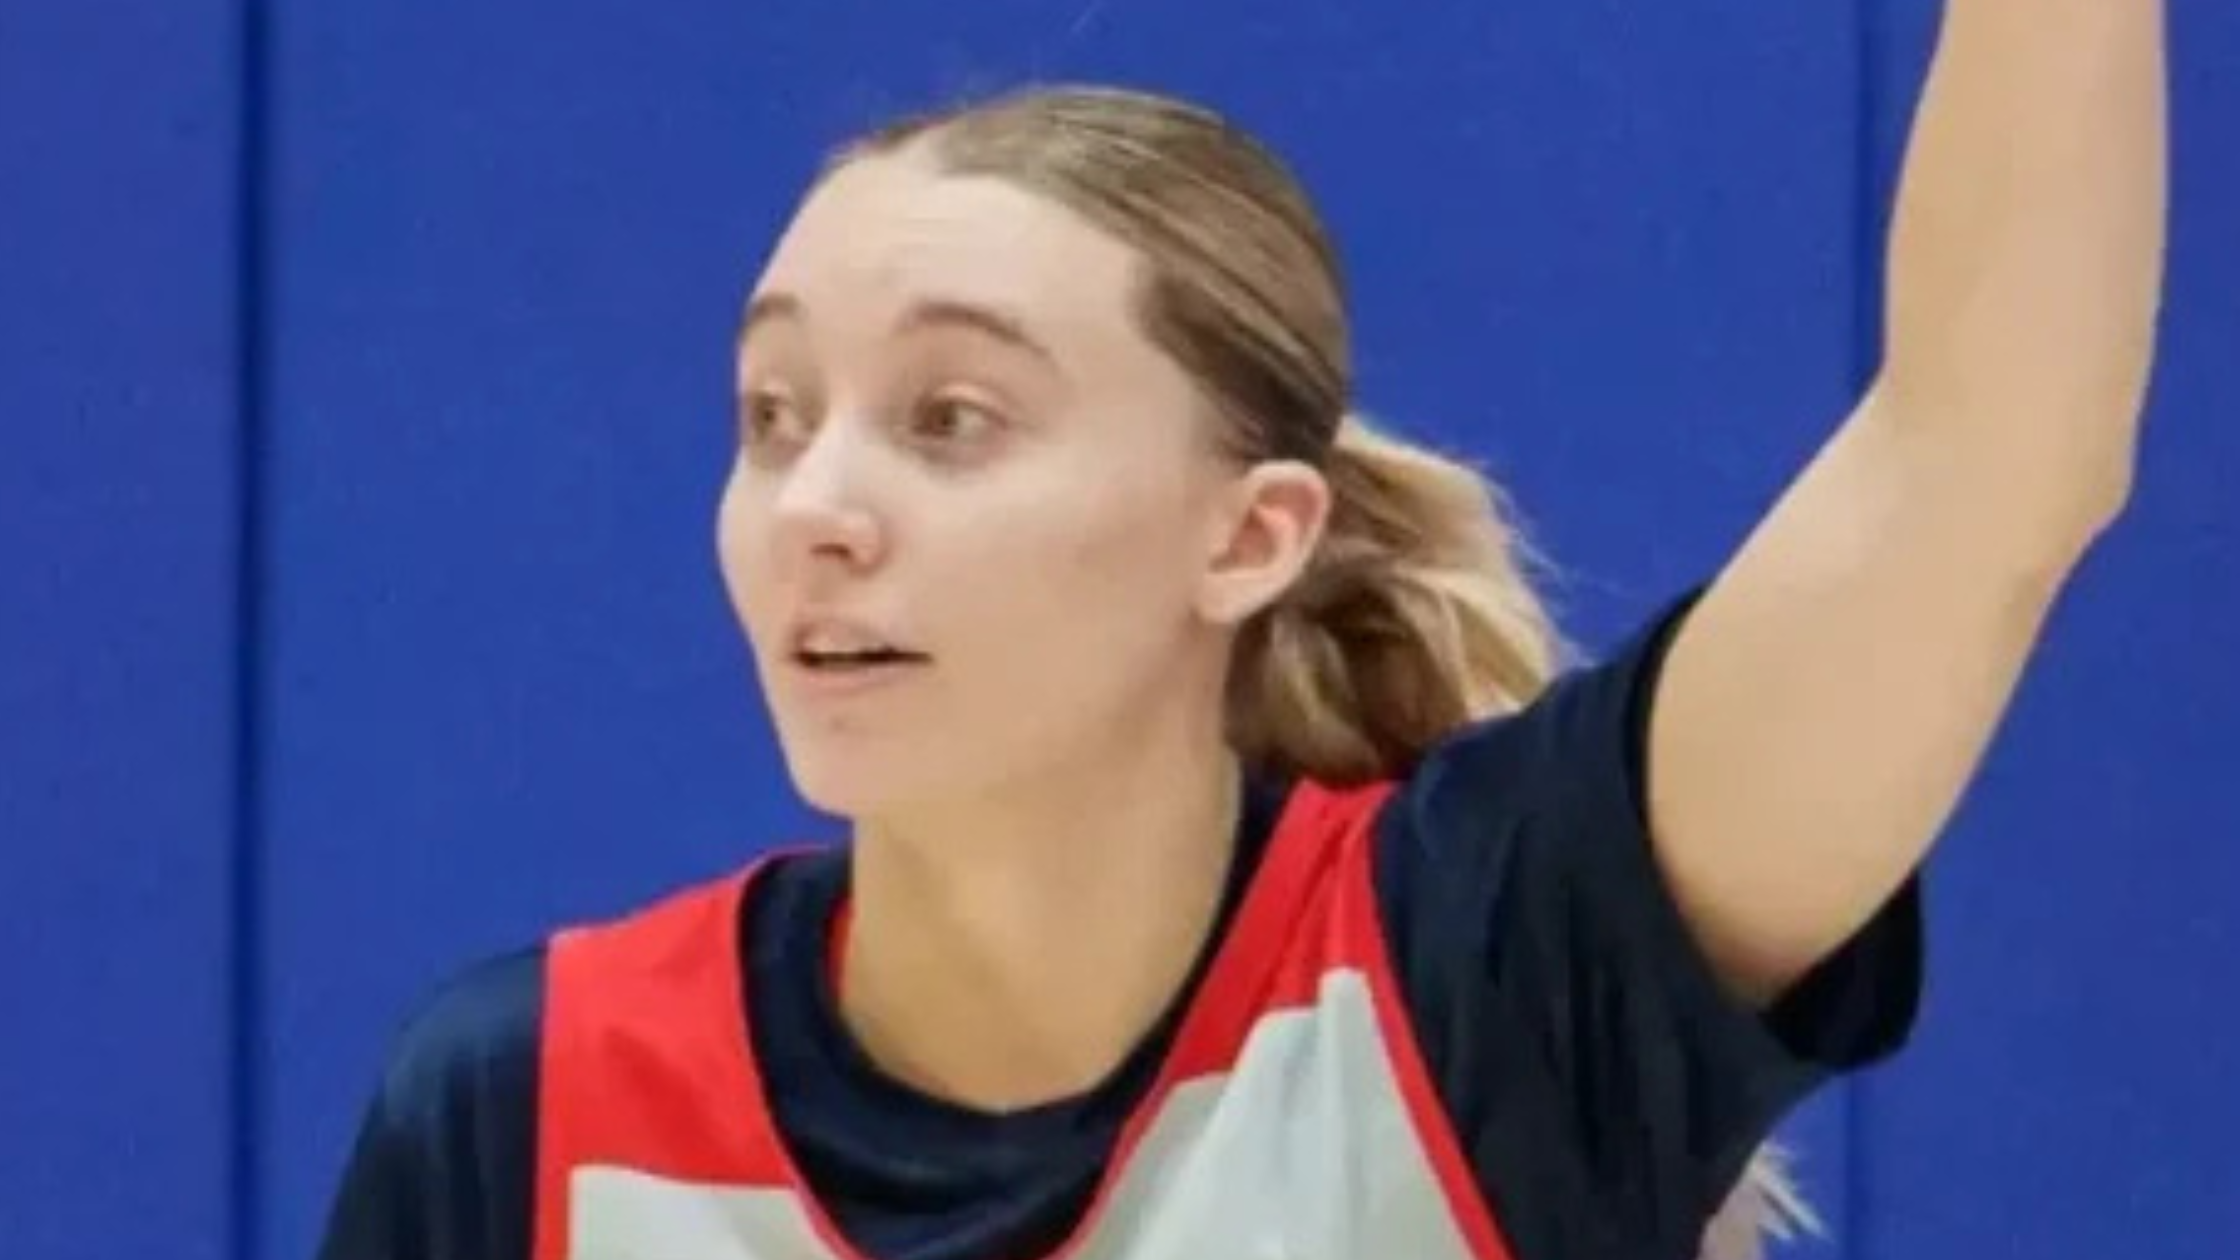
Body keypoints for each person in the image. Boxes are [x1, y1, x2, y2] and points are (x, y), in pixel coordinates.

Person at [314, 4, 2166, 1258]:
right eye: (774, 416)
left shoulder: (1490, 976)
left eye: (954, 418)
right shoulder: (525, 1105)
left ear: (1248, 533)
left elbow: (1988, 458)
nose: (815, 506)